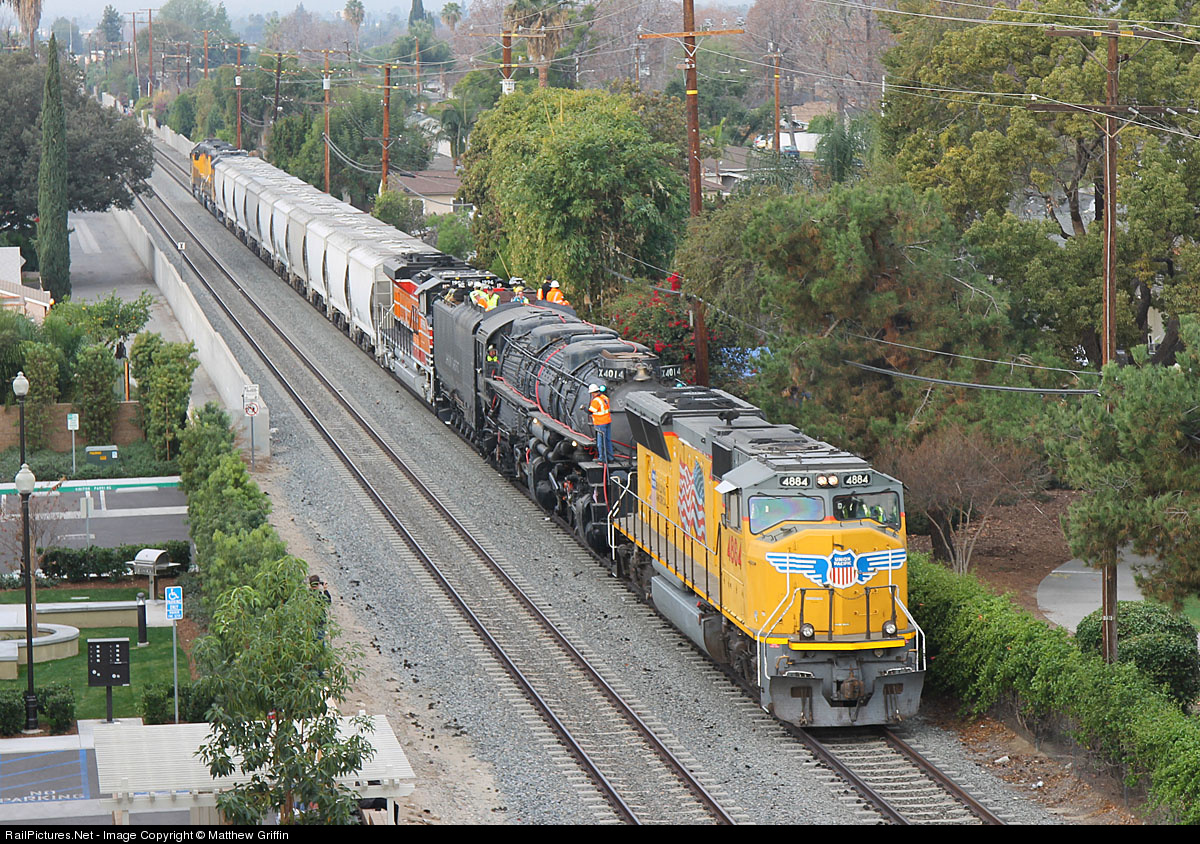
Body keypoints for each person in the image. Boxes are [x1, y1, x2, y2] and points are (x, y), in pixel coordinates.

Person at [586, 384, 613, 462]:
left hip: (600, 423)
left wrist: (584, 408)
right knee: (608, 440)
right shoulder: (605, 398)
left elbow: (590, 412)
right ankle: (610, 457)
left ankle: (602, 458)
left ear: (593, 393)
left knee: (600, 442)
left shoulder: (596, 401)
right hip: (607, 421)